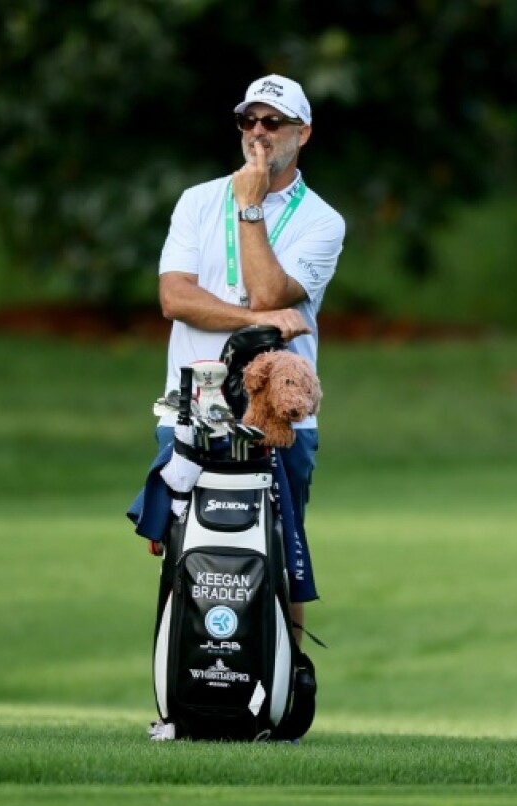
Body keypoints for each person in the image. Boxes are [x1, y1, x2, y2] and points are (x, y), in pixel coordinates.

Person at [153, 73, 346, 639]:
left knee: (280, 554)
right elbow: (175, 297)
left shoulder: (322, 220)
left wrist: (250, 206)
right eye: (248, 120)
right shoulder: (196, 200)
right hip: (192, 410)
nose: (258, 133)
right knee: (183, 553)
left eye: (273, 122)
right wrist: (254, 322)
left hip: (279, 419)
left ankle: (279, 696)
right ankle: (181, 700)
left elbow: (268, 290)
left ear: (302, 133)